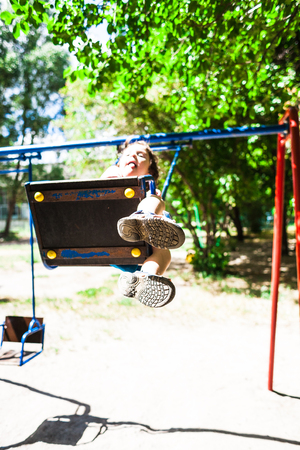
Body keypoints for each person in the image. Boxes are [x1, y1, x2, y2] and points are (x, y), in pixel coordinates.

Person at [101, 138, 185, 308]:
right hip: (109, 236)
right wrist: (113, 173)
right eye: (129, 154)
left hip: (137, 254)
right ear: (118, 164)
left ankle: (145, 276)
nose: (134, 156)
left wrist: (164, 220)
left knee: (164, 253)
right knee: (154, 198)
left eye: (141, 155)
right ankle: (143, 217)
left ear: (150, 170)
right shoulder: (112, 173)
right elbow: (98, 187)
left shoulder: (149, 188)